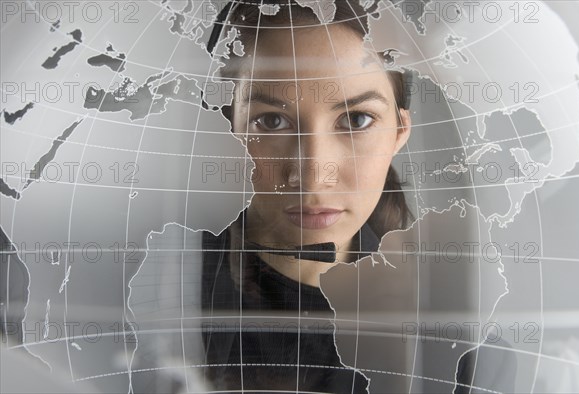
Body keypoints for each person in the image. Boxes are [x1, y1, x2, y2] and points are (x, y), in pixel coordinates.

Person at [129, 1, 516, 392]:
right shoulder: (152, 312)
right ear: (222, 131)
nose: (313, 174)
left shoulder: (463, 343)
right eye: (271, 121)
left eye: (355, 119)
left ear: (399, 132)